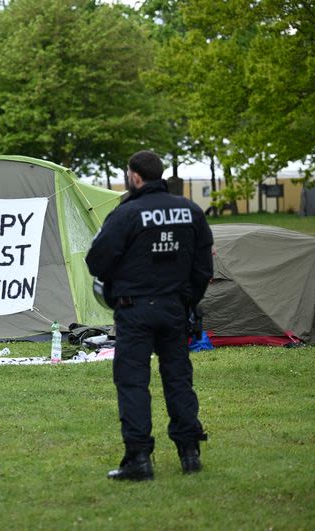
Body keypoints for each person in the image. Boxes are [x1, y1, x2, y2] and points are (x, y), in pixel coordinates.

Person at [86, 150, 213, 481]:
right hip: (175, 309)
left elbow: (96, 261)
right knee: (178, 380)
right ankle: (190, 453)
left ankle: (139, 459)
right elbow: (204, 268)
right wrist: (187, 302)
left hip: (134, 310)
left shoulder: (126, 213)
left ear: (135, 177)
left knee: (132, 383)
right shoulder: (191, 211)